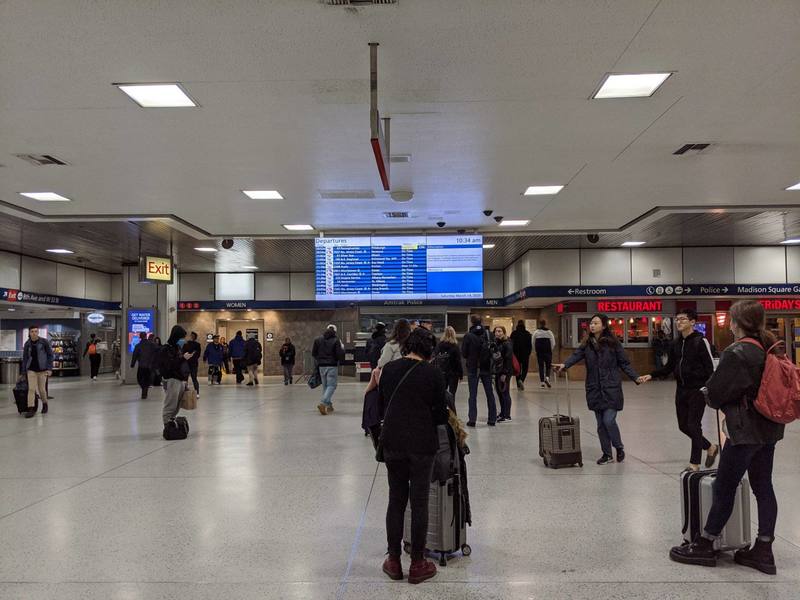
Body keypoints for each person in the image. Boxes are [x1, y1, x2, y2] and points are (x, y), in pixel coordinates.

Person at [669, 300, 785, 575]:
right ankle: (763, 549)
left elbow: (717, 393)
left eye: (731, 320)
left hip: (743, 431)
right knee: (763, 486)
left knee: (724, 486)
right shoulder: (770, 348)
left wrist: (709, 393)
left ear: (737, 323)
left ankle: (705, 543)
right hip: (769, 429)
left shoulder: (738, 351)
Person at [378, 327, 448, 584]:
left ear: (408, 346)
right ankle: (418, 563)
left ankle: (393, 560)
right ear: (430, 350)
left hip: (393, 444)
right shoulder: (434, 374)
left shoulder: (389, 370)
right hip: (422, 445)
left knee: (395, 500)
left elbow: (383, 405)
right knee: (419, 502)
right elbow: (441, 417)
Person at [555, 314, 643, 465]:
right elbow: (575, 356)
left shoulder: (613, 343)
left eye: (596, 323)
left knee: (609, 421)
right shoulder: (587, 344)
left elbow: (624, 363)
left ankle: (619, 447)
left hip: (611, 387)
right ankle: (607, 454)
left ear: (603, 326)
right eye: (591, 323)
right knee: (601, 425)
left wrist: (635, 377)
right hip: (594, 388)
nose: (592, 325)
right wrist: (564, 365)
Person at [640, 308, 718, 472]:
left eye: (683, 319)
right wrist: (651, 375)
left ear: (692, 322)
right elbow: (669, 367)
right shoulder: (675, 344)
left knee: (694, 425)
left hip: (698, 389)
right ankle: (710, 447)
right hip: (681, 389)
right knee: (683, 426)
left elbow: (710, 367)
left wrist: (709, 388)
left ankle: (694, 464)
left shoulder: (700, 341)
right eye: (677, 319)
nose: (679, 322)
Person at [461, 315, 498, 427]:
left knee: (472, 394)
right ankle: (492, 419)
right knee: (490, 393)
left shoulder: (468, 336)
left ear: (471, 322)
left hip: (473, 368)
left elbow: (464, 353)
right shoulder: (488, 334)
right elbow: (494, 349)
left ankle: (472, 419)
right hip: (486, 367)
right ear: (481, 321)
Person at [158, 325, 192, 427]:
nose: (183, 340)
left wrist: (185, 380)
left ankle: (171, 422)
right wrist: (183, 358)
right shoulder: (166, 349)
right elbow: (170, 366)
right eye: (181, 338)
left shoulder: (177, 348)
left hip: (180, 379)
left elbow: (179, 365)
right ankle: (167, 425)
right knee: (171, 403)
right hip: (172, 379)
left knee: (177, 404)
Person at [21, 326, 54, 418]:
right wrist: (23, 372)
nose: (34, 333)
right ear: (29, 333)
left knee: (42, 390)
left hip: (42, 370)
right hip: (31, 370)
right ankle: (30, 409)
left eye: (36, 331)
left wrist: (49, 368)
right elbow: (25, 359)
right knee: (31, 389)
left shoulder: (44, 342)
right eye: (32, 331)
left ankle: (45, 404)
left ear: (38, 332)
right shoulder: (27, 344)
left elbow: (50, 355)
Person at [312, 324, 345, 414]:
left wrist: (319, 360)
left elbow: (314, 353)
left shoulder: (318, 339)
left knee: (325, 387)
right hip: (332, 366)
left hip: (321, 366)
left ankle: (329, 405)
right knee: (332, 386)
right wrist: (342, 350)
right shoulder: (336, 340)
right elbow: (339, 354)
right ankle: (323, 403)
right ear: (335, 331)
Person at [434, 326, 463, 398]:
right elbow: (458, 361)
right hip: (453, 373)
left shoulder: (440, 345)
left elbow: (435, 357)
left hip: (442, 371)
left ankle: (442, 408)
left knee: (442, 393)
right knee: (452, 393)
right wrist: (460, 374)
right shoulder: (455, 346)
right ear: (453, 334)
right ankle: (451, 408)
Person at [493, 325, 514, 423]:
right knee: (500, 392)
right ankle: (502, 412)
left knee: (505, 392)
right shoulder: (497, 343)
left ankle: (507, 415)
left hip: (505, 372)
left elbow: (508, 359)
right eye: (496, 331)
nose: (498, 333)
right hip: (498, 371)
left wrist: (504, 373)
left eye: (500, 331)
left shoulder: (507, 343)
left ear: (504, 332)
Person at [130, 332, 157, 399]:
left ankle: (144, 389)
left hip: (141, 365)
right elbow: (156, 354)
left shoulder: (138, 346)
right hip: (149, 366)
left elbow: (134, 356)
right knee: (147, 379)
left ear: (140, 337)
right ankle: (145, 389)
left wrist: (132, 364)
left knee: (140, 378)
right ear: (146, 336)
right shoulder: (152, 345)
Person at [510, 320, 533, 390]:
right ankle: (522, 380)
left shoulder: (513, 333)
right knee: (525, 369)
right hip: (525, 354)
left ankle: (518, 384)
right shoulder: (527, 334)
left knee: (518, 369)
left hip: (516, 354)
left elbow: (511, 344)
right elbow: (530, 345)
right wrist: (528, 353)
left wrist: (512, 353)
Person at [533, 320, 556, 388]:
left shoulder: (536, 332)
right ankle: (547, 378)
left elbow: (533, 342)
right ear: (545, 324)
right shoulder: (549, 332)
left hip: (539, 351)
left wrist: (535, 350)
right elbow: (553, 342)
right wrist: (550, 349)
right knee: (548, 365)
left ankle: (542, 382)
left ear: (539, 324)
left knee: (541, 366)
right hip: (548, 351)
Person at [183, 332, 202, 397]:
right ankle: (184, 392)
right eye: (191, 335)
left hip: (193, 364)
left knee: (194, 378)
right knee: (185, 378)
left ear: (195, 337)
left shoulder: (197, 344)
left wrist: (192, 357)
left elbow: (198, 354)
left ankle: (197, 393)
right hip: (186, 363)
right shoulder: (186, 344)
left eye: (193, 335)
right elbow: (184, 352)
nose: (192, 336)